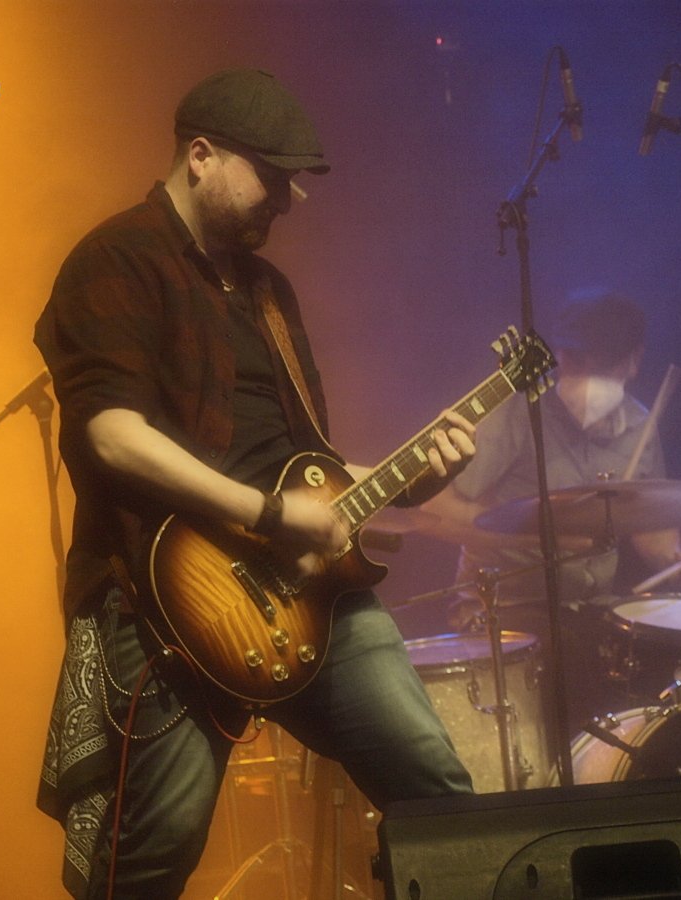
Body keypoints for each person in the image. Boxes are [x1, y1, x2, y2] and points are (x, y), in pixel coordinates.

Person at [32, 68, 477, 900]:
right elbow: (112, 435)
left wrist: (415, 478)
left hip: (309, 597)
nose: (286, 199)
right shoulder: (115, 259)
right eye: (270, 176)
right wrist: (270, 515)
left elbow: (312, 466)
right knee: (152, 858)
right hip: (170, 599)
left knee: (441, 799)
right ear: (200, 156)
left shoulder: (270, 292)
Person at [420, 292, 681, 721]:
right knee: (574, 668)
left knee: (661, 668)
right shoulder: (518, 411)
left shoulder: (640, 426)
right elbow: (432, 508)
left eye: (603, 364)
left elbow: (650, 529)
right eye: (576, 362)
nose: (587, 379)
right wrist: (540, 535)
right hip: (505, 607)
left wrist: (678, 560)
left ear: (633, 361)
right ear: (559, 355)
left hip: (591, 610)